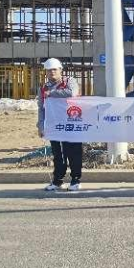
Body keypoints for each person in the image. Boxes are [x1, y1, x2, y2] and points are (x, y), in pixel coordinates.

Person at [36, 58, 82, 192]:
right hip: (54, 126)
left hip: (71, 124)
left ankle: (75, 180)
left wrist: (52, 93)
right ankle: (58, 181)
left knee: (73, 152)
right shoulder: (43, 88)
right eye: (49, 70)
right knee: (58, 154)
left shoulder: (69, 81)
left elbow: (72, 93)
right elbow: (41, 108)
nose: (52, 72)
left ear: (60, 70)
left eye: (54, 70)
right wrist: (41, 126)